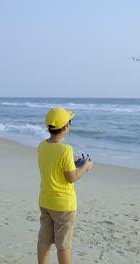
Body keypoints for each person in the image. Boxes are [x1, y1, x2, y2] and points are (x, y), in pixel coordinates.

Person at [37, 108, 94, 264]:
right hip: (63, 205)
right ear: (64, 127)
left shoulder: (42, 146)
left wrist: (71, 161)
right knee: (63, 245)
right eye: (69, 122)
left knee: (44, 241)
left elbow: (53, 163)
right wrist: (85, 166)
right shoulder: (66, 149)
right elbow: (72, 177)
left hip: (45, 200)